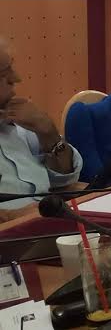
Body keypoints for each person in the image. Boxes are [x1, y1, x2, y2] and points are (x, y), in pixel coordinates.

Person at [0, 38, 82, 218]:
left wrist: (48, 132)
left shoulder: (20, 124)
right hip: (15, 232)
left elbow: (65, 180)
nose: (16, 78)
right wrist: (13, 216)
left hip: (50, 220)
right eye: (5, 73)